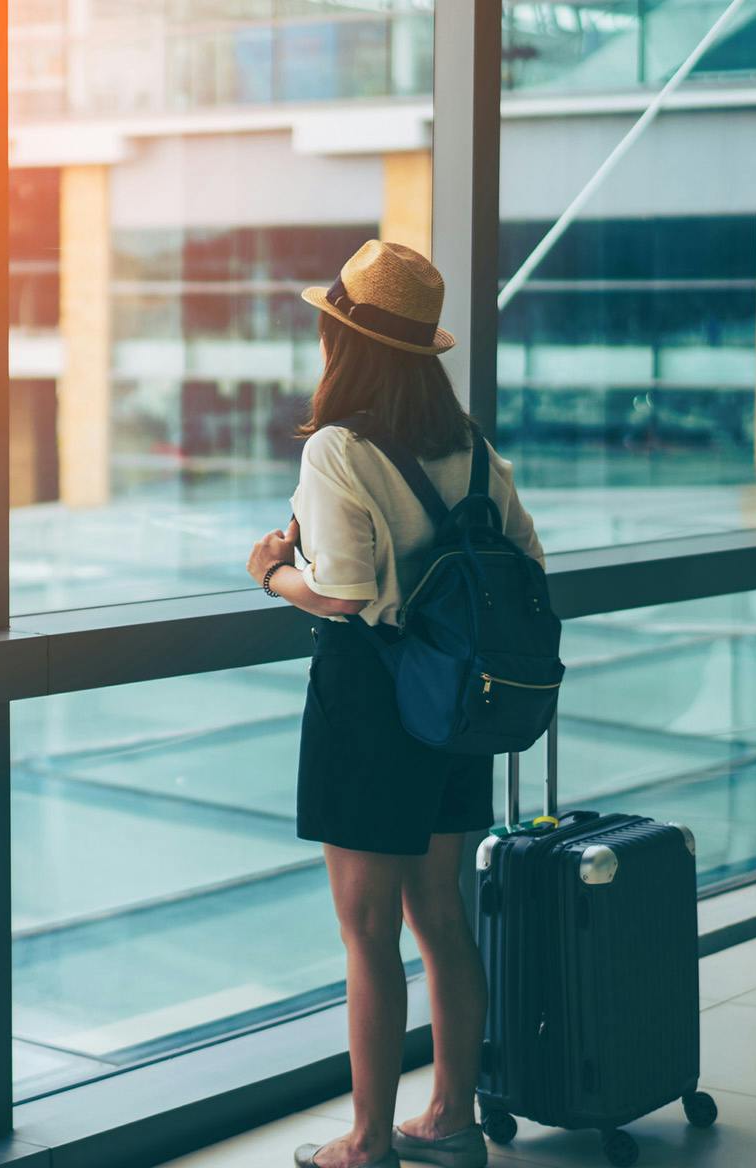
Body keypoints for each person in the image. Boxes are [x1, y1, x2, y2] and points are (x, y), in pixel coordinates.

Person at [245, 241, 545, 1168]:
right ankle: (450, 1118)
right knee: (441, 918)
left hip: (372, 704)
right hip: (458, 702)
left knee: (367, 930)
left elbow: (339, 589)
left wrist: (272, 573)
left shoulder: (340, 448)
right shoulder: (470, 448)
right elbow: (527, 560)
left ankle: (368, 1140)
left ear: (344, 341)